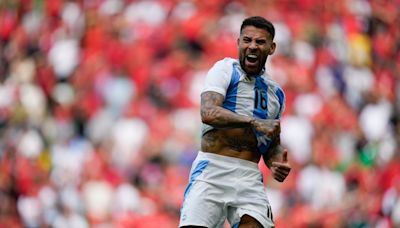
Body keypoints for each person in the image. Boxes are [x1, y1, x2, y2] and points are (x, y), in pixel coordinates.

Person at [179, 16, 291, 228]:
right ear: (238, 42)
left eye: (260, 42)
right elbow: (209, 112)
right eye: (247, 40)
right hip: (212, 170)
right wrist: (252, 122)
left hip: (248, 175)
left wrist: (276, 163)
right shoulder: (224, 70)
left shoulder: (276, 93)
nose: (253, 46)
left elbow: (270, 142)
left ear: (272, 47)